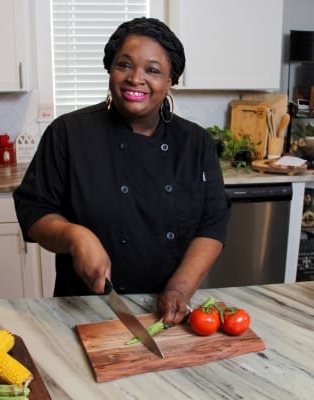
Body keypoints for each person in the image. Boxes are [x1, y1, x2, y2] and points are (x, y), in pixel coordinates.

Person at [13, 17, 230, 325]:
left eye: (152, 70)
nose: (135, 79)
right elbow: (34, 211)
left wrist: (180, 289)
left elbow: (213, 223)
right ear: (110, 69)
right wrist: (76, 236)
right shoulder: (68, 134)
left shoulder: (196, 142)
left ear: (171, 81)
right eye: (124, 65)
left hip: (168, 310)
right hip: (83, 309)